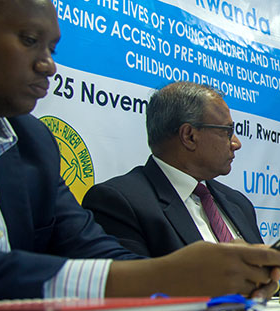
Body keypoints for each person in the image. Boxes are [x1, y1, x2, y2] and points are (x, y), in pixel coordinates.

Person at [0, 0, 280, 302]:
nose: (48, 66)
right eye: (30, 41)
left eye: (52, 49)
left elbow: (89, 250)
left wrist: (191, 277)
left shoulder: (31, 144)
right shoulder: (118, 195)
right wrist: (162, 277)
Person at [82, 82, 262, 256]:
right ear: (189, 136)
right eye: (227, 131)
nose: (236, 143)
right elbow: (134, 276)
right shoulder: (118, 203)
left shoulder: (238, 203)